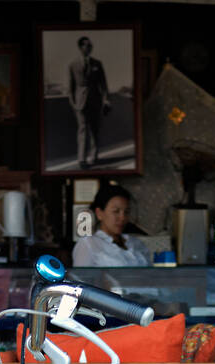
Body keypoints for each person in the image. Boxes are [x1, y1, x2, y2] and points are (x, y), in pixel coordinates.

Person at [73, 184, 149, 267]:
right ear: (99, 213)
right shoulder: (88, 244)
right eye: (116, 211)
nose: (122, 218)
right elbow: (80, 278)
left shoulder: (136, 243)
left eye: (126, 212)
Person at [68, 36, 109, 169]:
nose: (89, 47)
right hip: (80, 102)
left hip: (95, 101)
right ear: (80, 47)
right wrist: (73, 103)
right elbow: (70, 87)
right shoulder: (73, 65)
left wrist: (106, 99)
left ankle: (94, 156)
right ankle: (81, 159)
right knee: (82, 129)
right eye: (86, 45)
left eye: (90, 45)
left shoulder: (98, 64)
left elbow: (103, 84)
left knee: (94, 130)